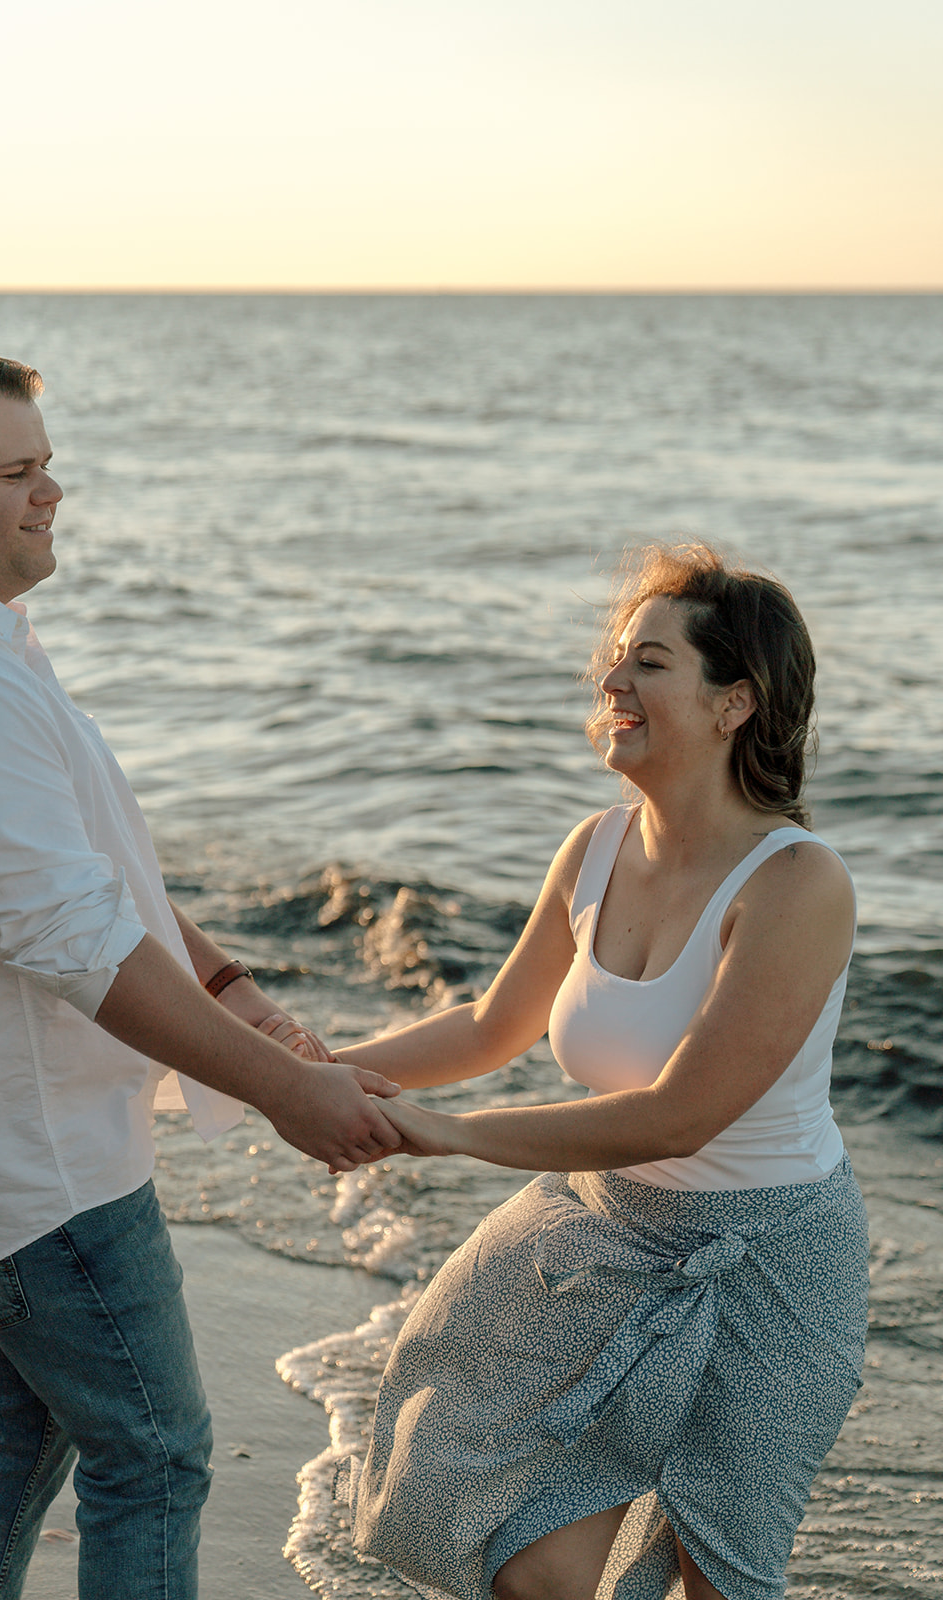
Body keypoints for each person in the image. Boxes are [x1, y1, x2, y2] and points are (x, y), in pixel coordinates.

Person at [0, 348, 402, 1600]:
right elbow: (72, 938)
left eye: (49, 467)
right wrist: (284, 1093)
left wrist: (230, 988)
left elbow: (81, 868)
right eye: (15, 471)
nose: (50, 493)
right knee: (158, 1452)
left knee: (16, 1429)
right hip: (37, 1159)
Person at [334, 543, 870, 1600]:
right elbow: (489, 1025)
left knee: (717, 1579)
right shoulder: (593, 846)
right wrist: (303, 1071)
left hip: (767, 1264)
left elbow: (680, 1114)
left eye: (649, 664)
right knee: (519, 1556)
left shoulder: (796, 883)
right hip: (604, 1228)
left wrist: (454, 1134)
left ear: (734, 703)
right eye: (615, 659)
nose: (609, 682)